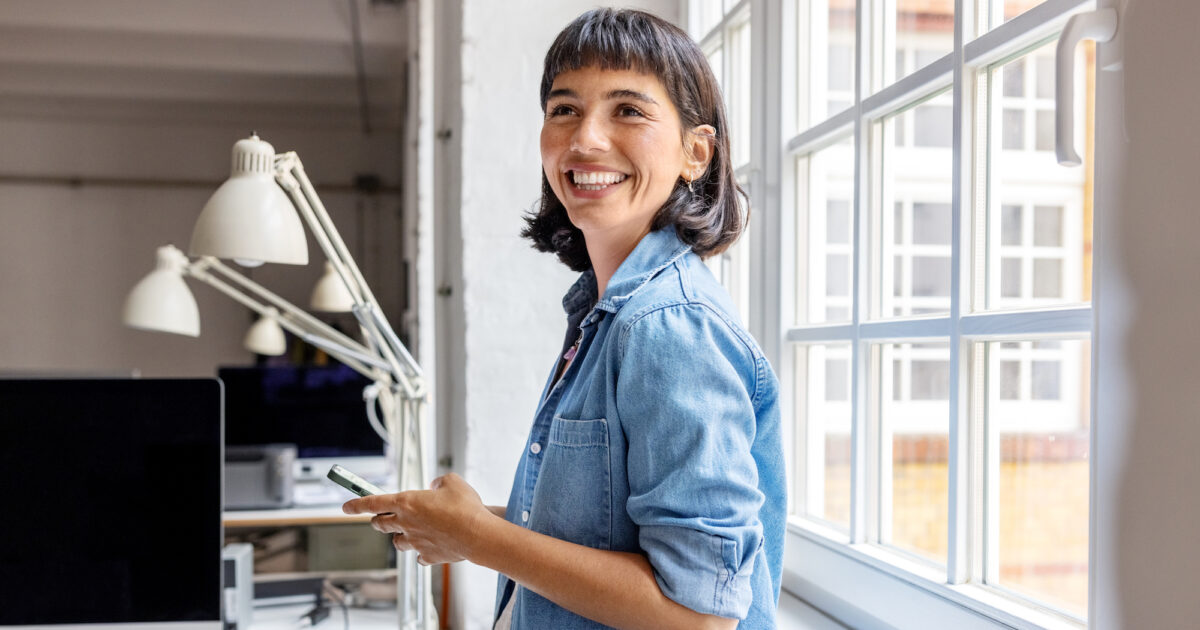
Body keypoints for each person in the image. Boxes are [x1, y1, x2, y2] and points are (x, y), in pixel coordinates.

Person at [343, 8, 784, 629]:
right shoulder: (608, 314)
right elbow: (607, 535)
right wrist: (463, 527)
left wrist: (478, 539)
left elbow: (697, 616)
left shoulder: (668, 326)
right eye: (564, 109)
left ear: (695, 152)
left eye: (628, 110)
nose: (585, 140)